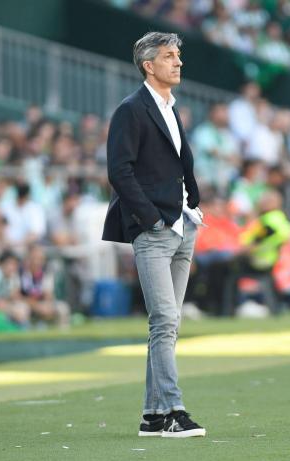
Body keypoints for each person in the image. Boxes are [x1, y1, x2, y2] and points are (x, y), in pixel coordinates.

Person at [102, 32, 206, 438]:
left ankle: (153, 416)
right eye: (168, 56)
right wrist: (151, 219)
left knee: (168, 322)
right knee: (164, 320)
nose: (178, 62)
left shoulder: (168, 107)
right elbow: (119, 170)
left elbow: (178, 164)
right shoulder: (132, 110)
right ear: (149, 65)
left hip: (183, 226)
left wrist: (192, 206)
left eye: (178, 55)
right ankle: (174, 410)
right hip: (156, 230)